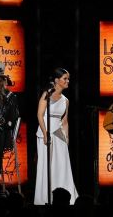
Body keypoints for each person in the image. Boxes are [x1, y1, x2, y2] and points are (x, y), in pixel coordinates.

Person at [34, 68, 79, 205]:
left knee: (62, 166)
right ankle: (45, 198)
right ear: (56, 80)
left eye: (68, 79)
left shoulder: (65, 100)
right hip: (45, 133)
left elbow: (65, 121)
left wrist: (67, 138)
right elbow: (39, 115)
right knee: (46, 166)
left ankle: (65, 197)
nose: (68, 81)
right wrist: (45, 132)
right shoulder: (46, 95)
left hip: (59, 134)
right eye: (65, 78)